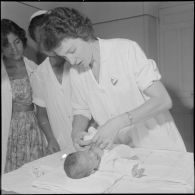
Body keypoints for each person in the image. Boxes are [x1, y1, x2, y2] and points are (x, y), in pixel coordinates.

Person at [38, 7, 187, 152]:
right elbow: (81, 109)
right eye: (64, 56)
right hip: (123, 149)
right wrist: (76, 132)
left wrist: (118, 122)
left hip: (159, 145)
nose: (71, 61)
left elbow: (163, 100)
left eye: (72, 51)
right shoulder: (76, 72)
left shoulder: (125, 50)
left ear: (82, 33)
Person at [1, 19, 47, 173]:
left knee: (34, 172)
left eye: (17, 42)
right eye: (7, 45)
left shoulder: (33, 67)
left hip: (33, 128)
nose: (14, 49)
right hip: (9, 129)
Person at [27, 10, 75, 154]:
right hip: (61, 142)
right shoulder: (39, 74)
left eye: (50, 37)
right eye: (41, 40)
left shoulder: (77, 62)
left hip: (90, 136)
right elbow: (41, 113)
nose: (48, 43)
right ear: (37, 43)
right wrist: (51, 139)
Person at [64, 143, 144, 179]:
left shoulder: (93, 149)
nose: (92, 154)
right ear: (92, 171)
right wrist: (132, 169)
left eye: (87, 152)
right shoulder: (105, 164)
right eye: (90, 159)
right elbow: (119, 166)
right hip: (127, 151)